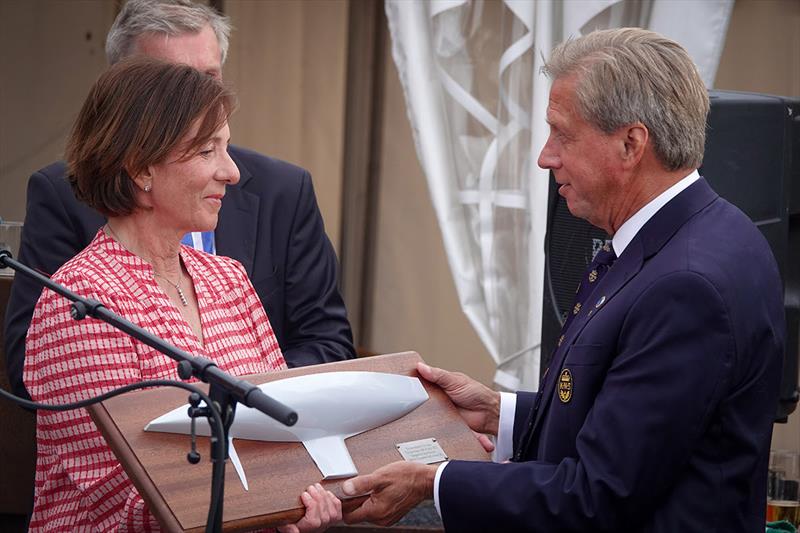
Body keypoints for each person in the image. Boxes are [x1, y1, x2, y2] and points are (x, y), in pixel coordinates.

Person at [340, 28, 786, 532]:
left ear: (631, 143)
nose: (545, 156)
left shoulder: (686, 285)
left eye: (562, 134)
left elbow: (599, 496)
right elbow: (623, 418)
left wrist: (434, 483)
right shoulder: (708, 230)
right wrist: (498, 412)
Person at [23, 58, 341, 532]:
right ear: (140, 167)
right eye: (207, 151)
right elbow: (121, 498)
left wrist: (302, 495)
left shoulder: (228, 279)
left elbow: (282, 441)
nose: (232, 172)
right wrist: (271, 504)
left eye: (227, 148)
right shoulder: (82, 299)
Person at [4, 0, 355, 403]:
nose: (198, 96)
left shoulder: (233, 270)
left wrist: (257, 424)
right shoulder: (80, 280)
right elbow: (38, 377)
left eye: (209, 77)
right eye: (174, 81)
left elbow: (325, 340)